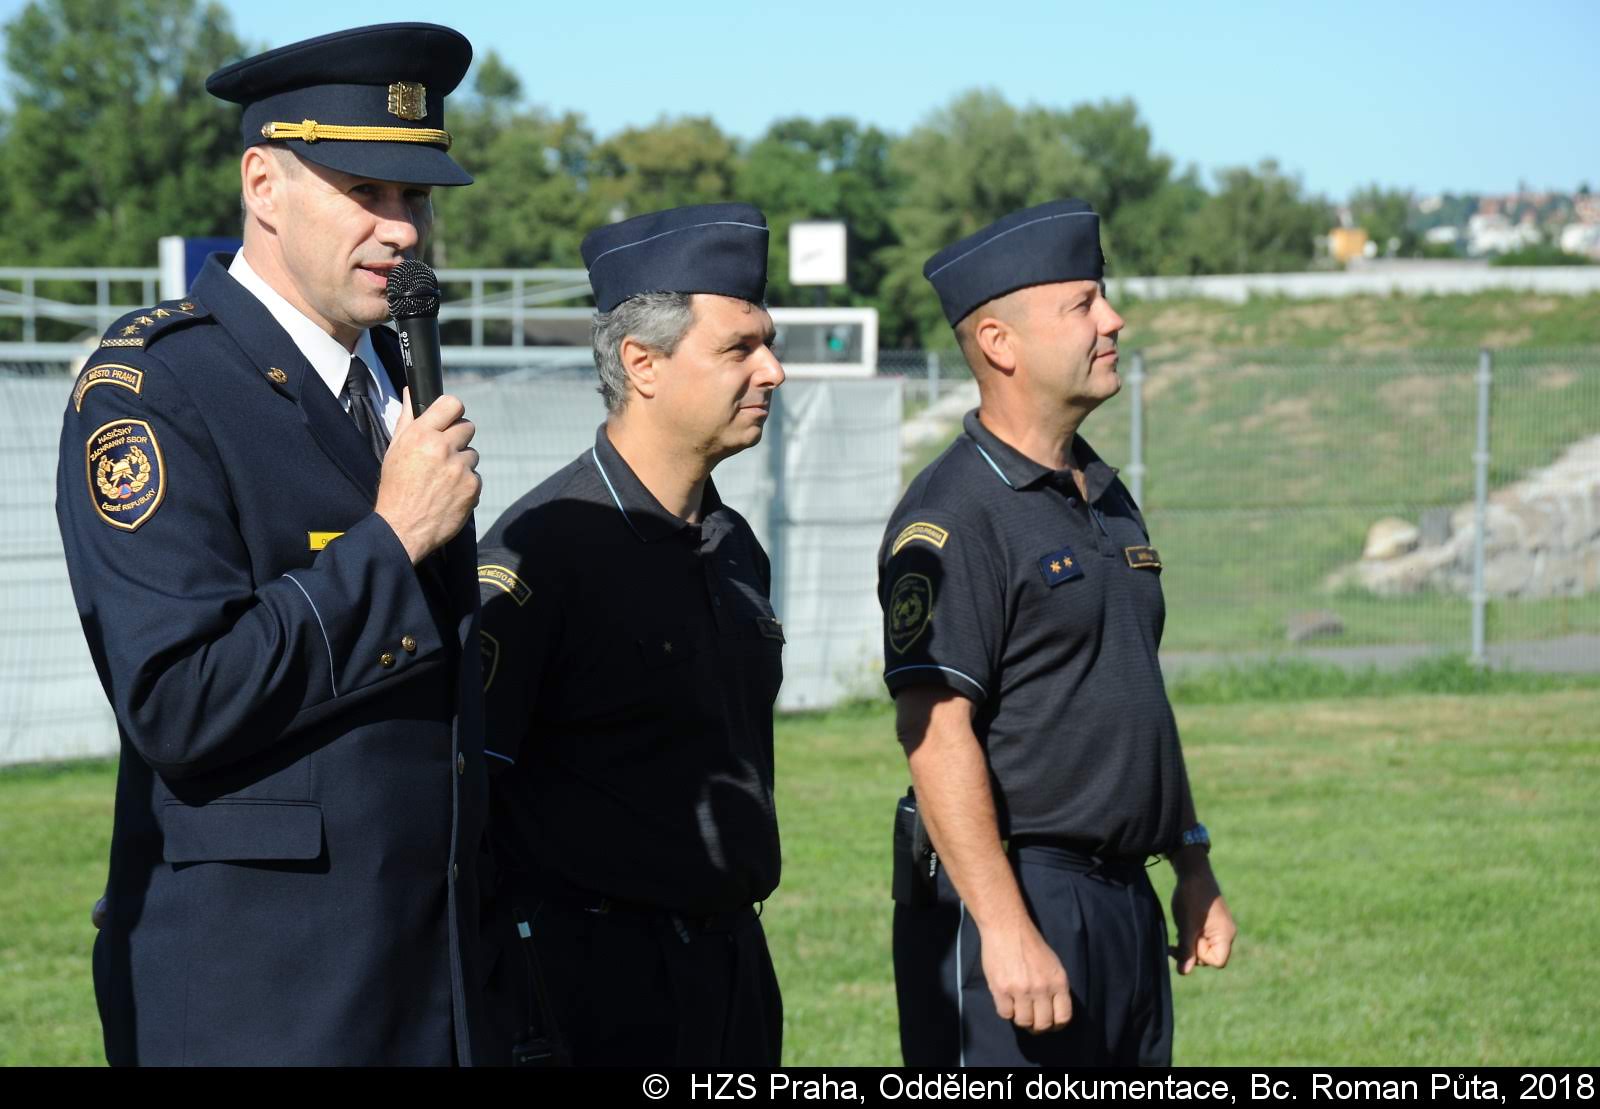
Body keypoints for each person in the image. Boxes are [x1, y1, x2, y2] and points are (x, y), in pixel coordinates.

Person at [55, 23, 491, 1066]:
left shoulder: (395, 373)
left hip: (428, 978)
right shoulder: (156, 388)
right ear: (264, 183)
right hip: (262, 996)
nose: (401, 229)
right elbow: (180, 697)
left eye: (416, 196)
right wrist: (391, 539)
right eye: (364, 190)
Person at [881, 199, 1236, 1067]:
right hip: (1017, 893)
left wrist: (1189, 859)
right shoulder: (953, 513)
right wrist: (1004, 928)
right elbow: (934, 735)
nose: (1113, 320)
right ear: (999, 342)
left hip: (1124, 899)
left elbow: (1131, 691)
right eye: (1082, 304)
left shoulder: (1104, 491)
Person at [476, 203, 786, 1067]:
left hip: (732, 969)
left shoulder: (731, 543)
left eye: (767, 344)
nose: (773, 371)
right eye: (739, 348)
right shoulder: (541, 553)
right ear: (642, 363)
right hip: (592, 989)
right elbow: (467, 802)